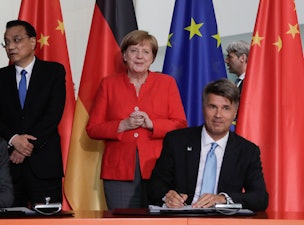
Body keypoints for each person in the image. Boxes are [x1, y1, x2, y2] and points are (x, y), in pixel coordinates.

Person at [86, 30, 187, 209]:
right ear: (125, 55)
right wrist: (122, 125)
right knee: (123, 221)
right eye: (133, 50)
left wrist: (152, 124)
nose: (139, 56)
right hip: (118, 171)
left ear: (153, 58)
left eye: (146, 52)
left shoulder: (167, 83)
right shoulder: (108, 84)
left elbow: (180, 125)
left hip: (160, 168)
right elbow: (93, 129)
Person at [148, 79, 268, 211]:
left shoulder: (247, 151)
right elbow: (155, 187)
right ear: (203, 108)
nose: (218, 115)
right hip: (182, 218)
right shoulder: (177, 141)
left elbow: (260, 198)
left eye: (226, 108)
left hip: (223, 221)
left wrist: (223, 199)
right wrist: (167, 197)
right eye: (213, 107)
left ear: (235, 113)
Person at [0, 20, 65, 207]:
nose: (11, 47)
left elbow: (53, 115)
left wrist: (26, 146)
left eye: (16, 40)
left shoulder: (53, 72)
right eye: (7, 42)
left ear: (32, 42)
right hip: (9, 166)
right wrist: (14, 139)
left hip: (44, 164)